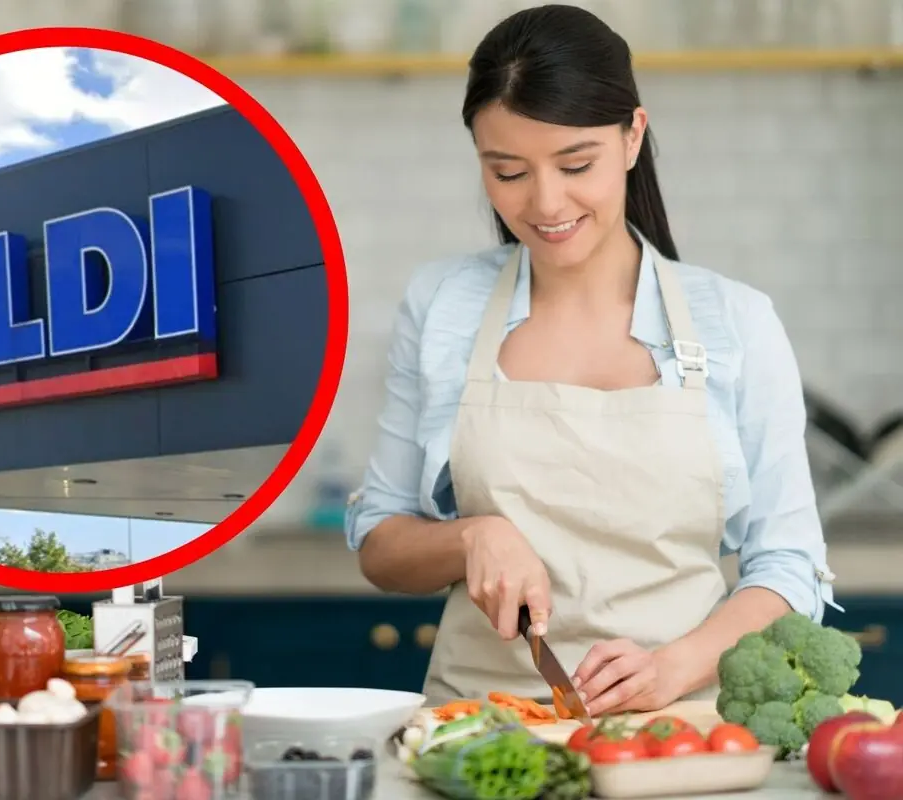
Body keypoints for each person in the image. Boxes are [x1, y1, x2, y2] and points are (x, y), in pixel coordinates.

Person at [345, 4, 837, 715]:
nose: (546, 203)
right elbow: (381, 545)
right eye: (508, 171)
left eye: (576, 165)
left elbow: (790, 566)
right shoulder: (443, 304)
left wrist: (673, 668)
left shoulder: (736, 321)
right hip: (480, 731)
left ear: (633, 136)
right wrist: (471, 537)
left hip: (675, 731)